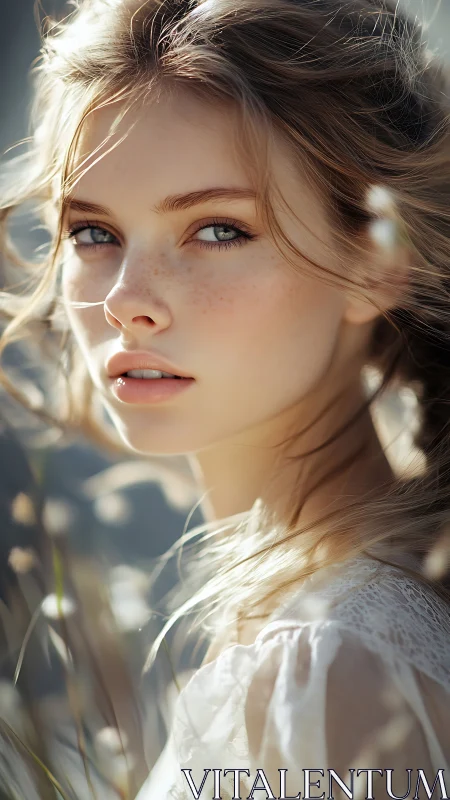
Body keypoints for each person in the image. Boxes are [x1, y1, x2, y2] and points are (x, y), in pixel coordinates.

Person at [0, 0, 449, 798]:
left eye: (217, 231)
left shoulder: (335, 667)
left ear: (378, 261)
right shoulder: (327, 634)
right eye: (93, 233)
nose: (126, 301)